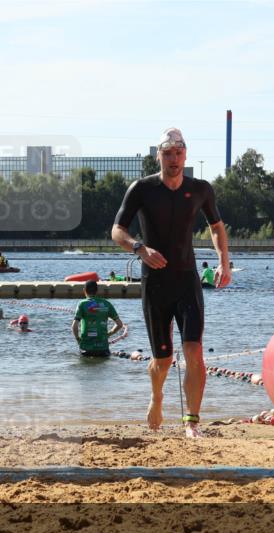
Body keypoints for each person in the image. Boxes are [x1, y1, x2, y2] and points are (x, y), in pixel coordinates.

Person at [111, 127, 231, 437]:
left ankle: (191, 421)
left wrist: (223, 262)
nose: (174, 159)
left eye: (178, 153)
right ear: (159, 156)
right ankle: (157, 396)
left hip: (187, 280)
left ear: (186, 155)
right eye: (167, 154)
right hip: (155, 284)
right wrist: (139, 248)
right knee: (162, 360)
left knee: (194, 351)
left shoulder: (201, 188)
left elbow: (216, 226)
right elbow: (117, 231)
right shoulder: (142, 188)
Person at [73, 280, 123, 358]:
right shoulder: (107, 304)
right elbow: (119, 324)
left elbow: (74, 326)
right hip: (103, 349)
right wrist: (109, 334)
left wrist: (78, 339)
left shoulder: (82, 304)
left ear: (84, 290)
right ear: (97, 291)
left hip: (86, 349)